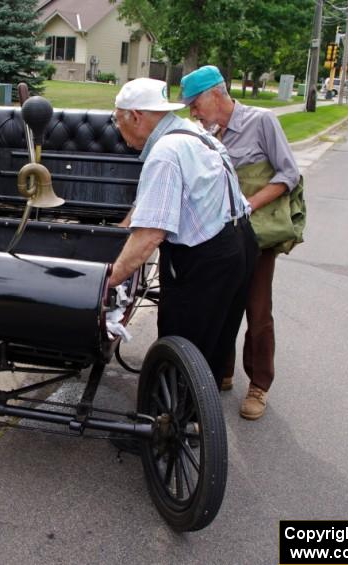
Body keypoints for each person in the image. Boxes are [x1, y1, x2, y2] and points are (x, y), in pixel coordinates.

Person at [107, 78, 258, 390]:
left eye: (117, 120)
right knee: (214, 343)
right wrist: (117, 235)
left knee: (181, 346)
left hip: (206, 258)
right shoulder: (196, 133)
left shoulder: (165, 151)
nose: (118, 129)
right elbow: (153, 202)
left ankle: (162, 429)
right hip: (241, 242)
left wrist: (106, 281)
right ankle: (201, 418)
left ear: (135, 116)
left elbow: (150, 235)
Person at [181, 65, 302, 420]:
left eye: (195, 104)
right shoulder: (202, 132)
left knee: (257, 308)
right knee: (220, 302)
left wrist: (248, 205)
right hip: (218, 233)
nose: (192, 112)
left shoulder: (262, 122)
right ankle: (223, 370)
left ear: (216, 95)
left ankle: (259, 384)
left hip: (256, 231)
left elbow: (289, 173)